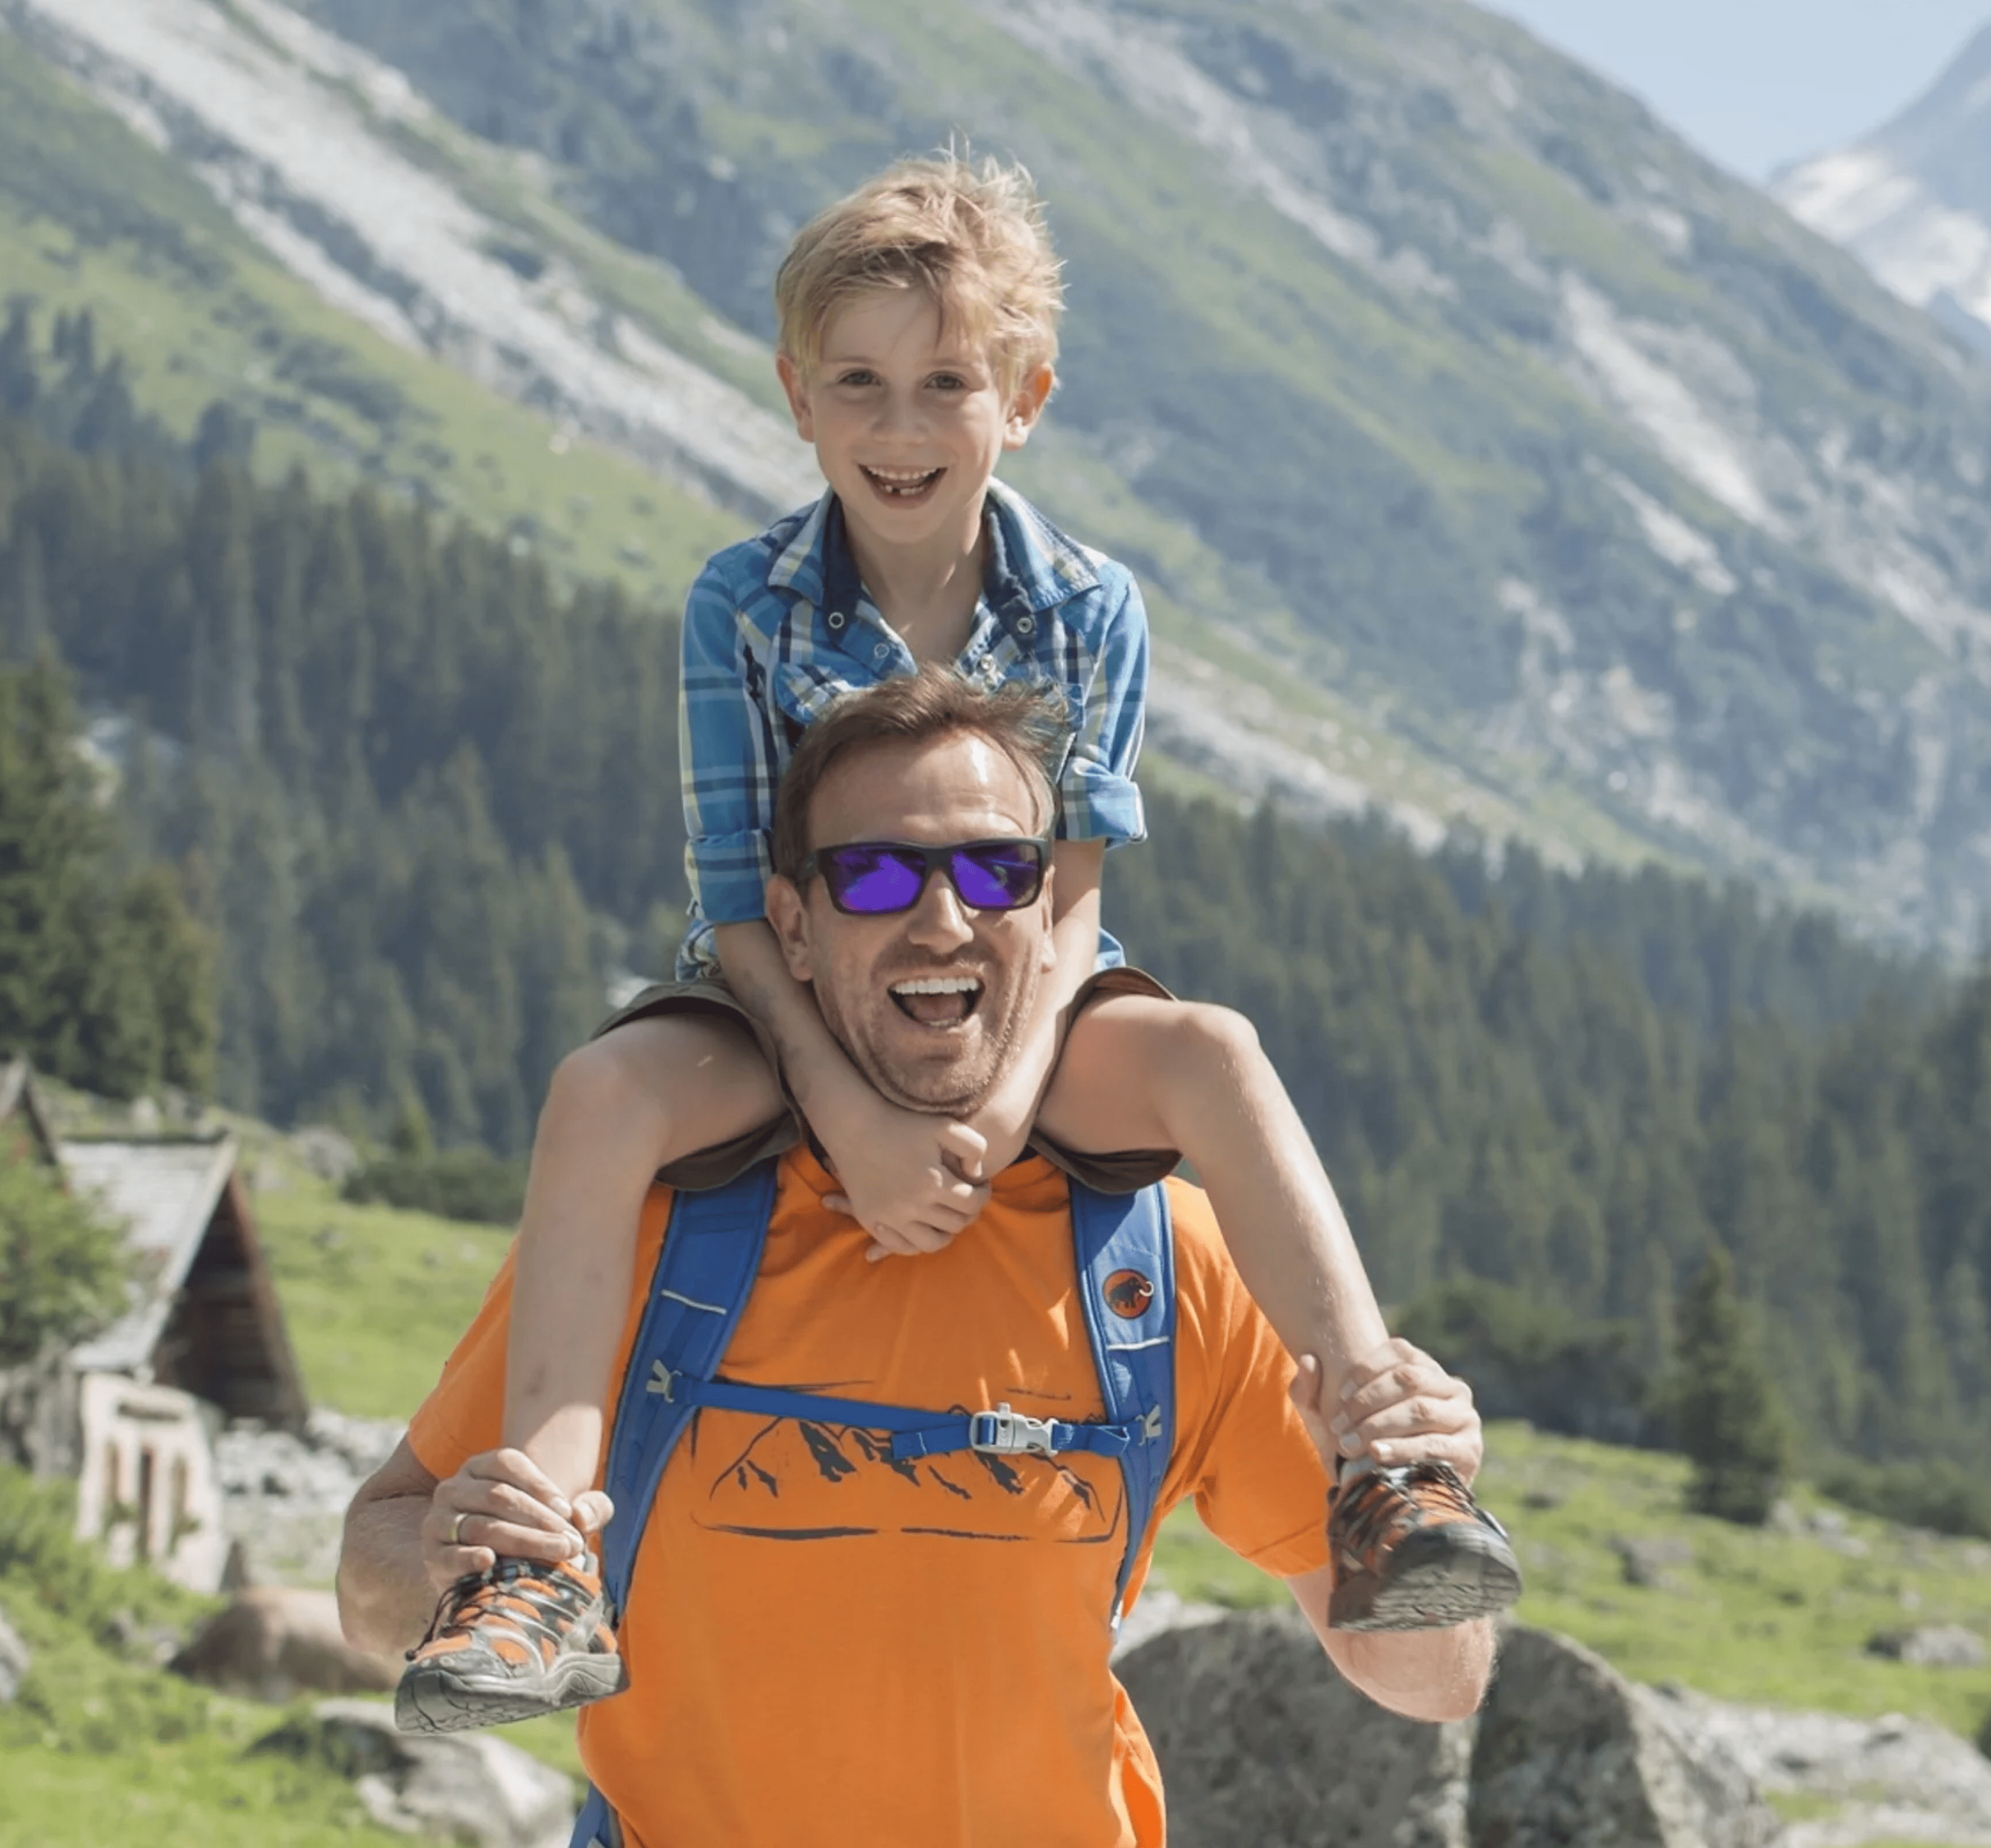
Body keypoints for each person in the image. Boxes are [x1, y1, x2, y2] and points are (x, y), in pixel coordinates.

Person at [407, 148, 1518, 1726]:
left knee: (1213, 1050)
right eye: (858, 384)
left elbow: (1073, 890)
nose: (902, 426)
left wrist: (1002, 1103)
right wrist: (849, 1115)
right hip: (783, 996)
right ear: (797, 397)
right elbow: (734, 901)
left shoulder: (1091, 605)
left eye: (946, 384)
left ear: (1026, 397)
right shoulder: (740, 603)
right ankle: (539, 1562)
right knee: (603, 1093)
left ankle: (1388, 1460)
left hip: (1028, 991)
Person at [339, 674, 1500, 1846]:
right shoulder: (646, 1233)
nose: (942, 920)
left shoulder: (1166, 1261)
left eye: (998, 871)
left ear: (1050, 920)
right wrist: (450, 1559)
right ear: (792, 928)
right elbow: (367, 1583)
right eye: (874, 875)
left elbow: (1432, 1682)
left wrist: (1402, 1461)